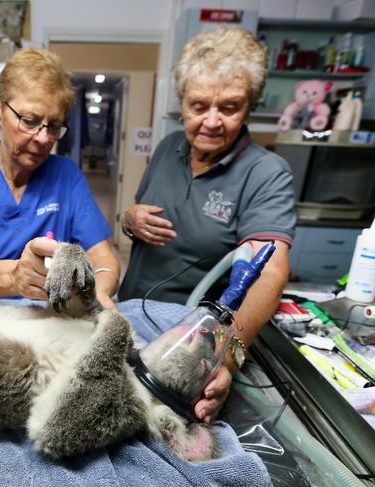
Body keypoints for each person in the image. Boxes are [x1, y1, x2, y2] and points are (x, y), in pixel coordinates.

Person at [118, 27, 296, 422]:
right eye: (199, 106)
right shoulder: (167, 148)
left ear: (249, 106)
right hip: (128, 316)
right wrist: (129, 220)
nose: (212, 122)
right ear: (181, 103)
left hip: (187, 344)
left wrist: (227, 358)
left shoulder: (265, 174)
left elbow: (270, 271)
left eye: (229, 107)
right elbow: (139, 210)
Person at [0, 47, 120, 309]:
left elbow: (105, 261)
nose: (43, 139)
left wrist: (99, 294)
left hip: (47, 319)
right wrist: (14, 277)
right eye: (29, 121)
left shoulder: (66, 176)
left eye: (53, 126)